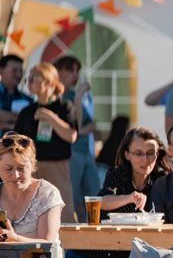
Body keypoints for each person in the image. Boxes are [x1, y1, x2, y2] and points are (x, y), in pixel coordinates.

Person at [66, 127, 172, 258]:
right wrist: (130, 197)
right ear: (127, 155)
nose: (145, 159)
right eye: (139, 153)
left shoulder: (161, 181)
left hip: (124, 256)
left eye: (150, 153)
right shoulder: (117, 174)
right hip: (92, 250)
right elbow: (102, 202)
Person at [14, 63, 78, 223]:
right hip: (31, 168)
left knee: (63, 212)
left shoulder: (65, 107)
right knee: (30, 214)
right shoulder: (27, 111)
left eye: (33, 79)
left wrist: (50, 117)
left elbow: (71, 135)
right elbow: (17, 142)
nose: (28, 82)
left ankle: (66, 248)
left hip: (58, 168)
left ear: (48, 82)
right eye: (28, 79)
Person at [53, 55, 100, 223]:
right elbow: (79, 126)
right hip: (69, 154)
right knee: (69, 200)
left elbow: (91, 126)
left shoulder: (74, 94)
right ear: (58, 72)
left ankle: (96, 241)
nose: (75, 74)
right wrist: (79, 98)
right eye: (70, 70)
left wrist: (78, 130)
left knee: (97, 196)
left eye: (77, 70)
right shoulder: (55, 97)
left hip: (85, 153)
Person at [0, 55, 33, 133]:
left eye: (21, 71)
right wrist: (20, 118)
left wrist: (4, 123)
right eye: (14, 70)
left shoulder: (27, 99)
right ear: (1, 70)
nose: (18, 75)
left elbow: (30, 123)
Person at [95, 116, 130, 183]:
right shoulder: (121, 145)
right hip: (104, 173)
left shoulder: (110, 142)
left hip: (99, 170)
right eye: (128, 127)